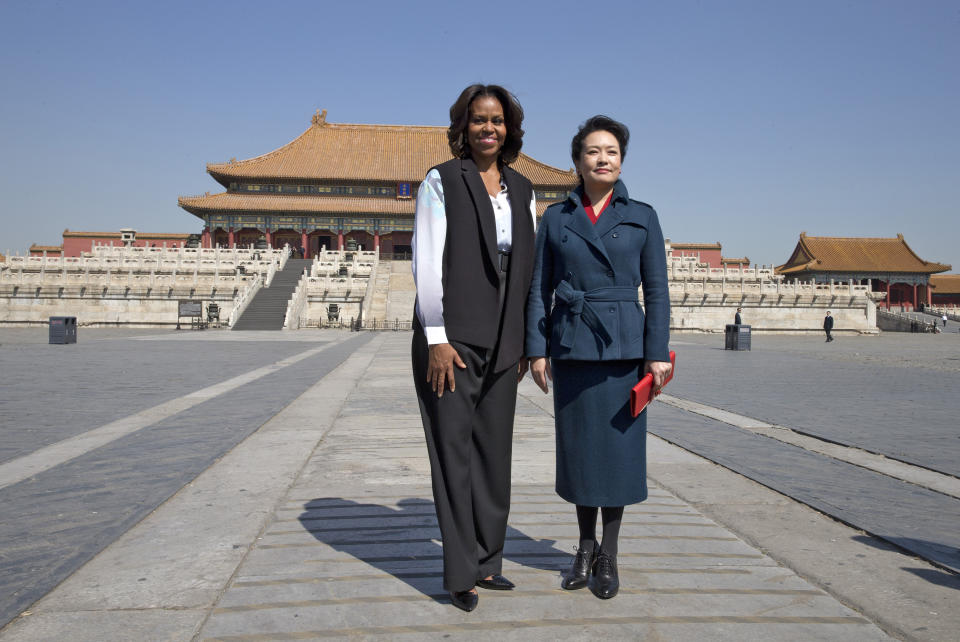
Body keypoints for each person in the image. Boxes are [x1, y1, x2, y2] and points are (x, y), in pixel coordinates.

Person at [526, 115, 671, 600]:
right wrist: (537, 350)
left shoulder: (643, 215)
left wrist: (656, 354)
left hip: (624, 350)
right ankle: (583, 547)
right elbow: (537, 289)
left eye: (611, 151)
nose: (603, 158)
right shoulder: (555, 217)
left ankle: (608, 552)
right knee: (581, 452)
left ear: (621, 160)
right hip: (572, 345)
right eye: (593, 151)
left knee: (619, 456)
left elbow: (656, 290)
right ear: (577, 161)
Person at [411, 84, 536, 612]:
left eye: (498, 121)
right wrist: (436, 337)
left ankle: (489, 560)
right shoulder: (442, 181)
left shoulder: (524, 188)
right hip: (455, 336)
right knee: (454, 456)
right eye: (479, 120)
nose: (489, 129)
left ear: (510, 129)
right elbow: (427, 258)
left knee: (493, 455)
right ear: (462, 126)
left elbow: (528, 267)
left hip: (505, 336)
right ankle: (460, 572)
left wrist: (527, 340)